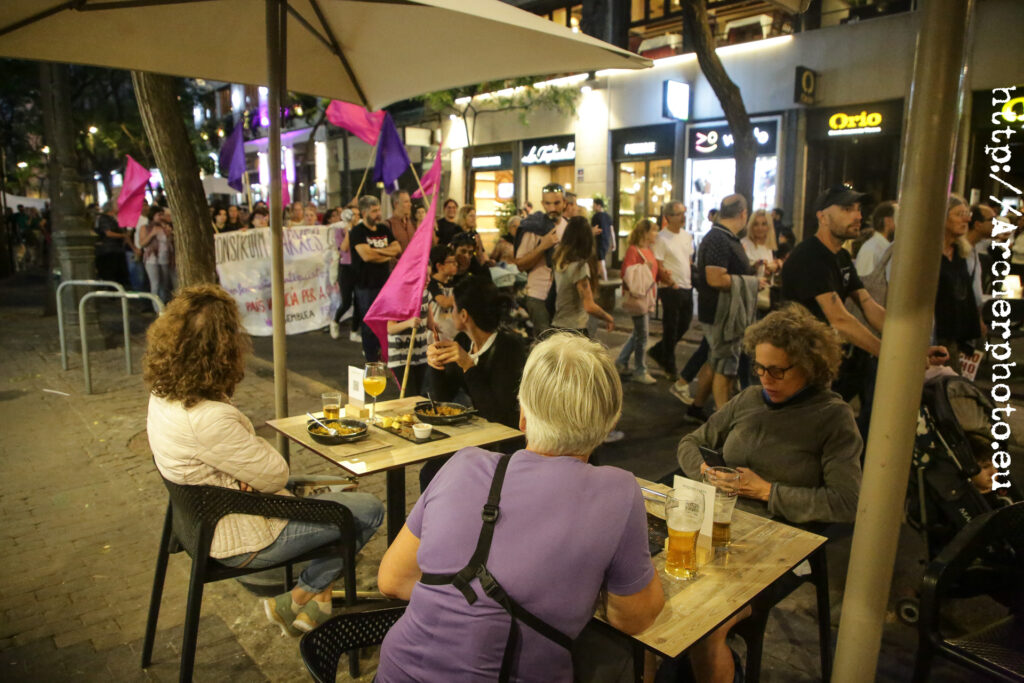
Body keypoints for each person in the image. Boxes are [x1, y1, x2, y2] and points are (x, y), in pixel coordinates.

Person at [377, 332, 665, 682]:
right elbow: (633, 619)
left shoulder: (463, 463)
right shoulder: (619, 491)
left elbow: (392, 580)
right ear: (609, 423)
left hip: (396, 671)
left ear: (523, 416)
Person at [144, 284, 385, 635]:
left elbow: (257, 473)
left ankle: (307, 598)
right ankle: (307, 592)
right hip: (237, 535)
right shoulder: (208, 417)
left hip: (200, 518)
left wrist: (245, 474)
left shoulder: (163, 396)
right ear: (222, 349)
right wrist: (251, 464)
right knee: (367, 509)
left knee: (335, 489)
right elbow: (274, 475)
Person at [675, 304, 861, 682]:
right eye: (760, 368)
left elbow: (846, 502)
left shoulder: (832, 417)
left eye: (778, 370)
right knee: (649, 599)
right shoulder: (749, 399)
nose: (766, 379)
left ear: (810, 365)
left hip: (781, 542)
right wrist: (704, 470)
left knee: (706, 625)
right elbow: (691, 441)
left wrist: (767, 491)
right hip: (721, 526)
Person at [689, 194, 757, 421]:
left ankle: (696, 408)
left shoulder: (723, 237)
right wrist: (751, 282)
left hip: (721, 311)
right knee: (726, 367)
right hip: (723, 313)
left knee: (715, 360)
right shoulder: (720, 238)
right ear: (743, 214)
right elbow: (715, 278)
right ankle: (723, 419)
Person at [647, 200, 695, 385]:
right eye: (678, 214)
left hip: (686, 286)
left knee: (685, 323)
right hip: (670, 288)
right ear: (667, 217)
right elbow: (658, 264)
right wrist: (669, 281)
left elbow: (687, 259)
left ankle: (660, 351)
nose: (683, 217)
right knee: (671, 326)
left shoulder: (686, 236)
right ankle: (670, 364)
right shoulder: (661, 238)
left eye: (684, 212)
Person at [350, 195, 402, 362]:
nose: (378, 214)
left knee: (386, 321)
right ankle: (371, 359)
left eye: (378, 209)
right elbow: (366, 256)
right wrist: (387, 254)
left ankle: (384, 355)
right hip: (366, 286)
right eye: (374, 211)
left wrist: (378, 253)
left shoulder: (383, 229)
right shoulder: (357, 232)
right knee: (370, 324)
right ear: (364, 213)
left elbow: (397, 248)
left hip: (384, 284)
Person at [934, 195, 982, 372]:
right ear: (942, 216)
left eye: (967, 213)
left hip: (952, 337)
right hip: (933, 335)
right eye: (960, 213)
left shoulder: (960, 253)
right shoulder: (929, 253)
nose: (967, 219)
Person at [515, 183, 565, 335]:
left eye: (556, 203)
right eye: (548, 203)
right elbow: (520, 264)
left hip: (563, 297)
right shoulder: (534, 228)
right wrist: (543, 246)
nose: (552, 208)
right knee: (546, 343)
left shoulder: (568, 227)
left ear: (564, 203)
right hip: (539, 294)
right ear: (543, 204)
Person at [551, 216, 614, 334]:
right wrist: (608, 317)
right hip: (575, 328)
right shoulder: (579, 267)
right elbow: (589, 305)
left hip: (558, 324)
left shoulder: (560, 261)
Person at [616, 219, 659, 384]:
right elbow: (626, 274)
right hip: (639, 298)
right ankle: (640, 370)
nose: (656, 234)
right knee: (643, 335)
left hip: (648, 296)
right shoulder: (634, 251)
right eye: (654, 231)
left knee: (638, 333)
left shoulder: (648, 250)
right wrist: (644, 268)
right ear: (645, 233)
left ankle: (621, 361)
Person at [138, 206, 176, 308]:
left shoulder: (166, 227)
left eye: (162, 214)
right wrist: (152, 234)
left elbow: (170, 244)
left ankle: (163, 305)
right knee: (155, 284)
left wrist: (169, 235)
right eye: (159, 215)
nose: (161, 217)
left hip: (164, 259)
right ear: (153, 215)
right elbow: (142, 243)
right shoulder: (145, 227)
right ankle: (156, 308)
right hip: (151, 259)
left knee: (164, 284)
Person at [329, 206, 357, 341]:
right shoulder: (340, 230)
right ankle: (335, 321)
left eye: (357, 215)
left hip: (359, 268)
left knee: (359, 302)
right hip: (346, 267)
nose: (355, 218)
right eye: (353, 215)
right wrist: (349, 232)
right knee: (346, 301)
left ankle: (354, 331)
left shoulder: (361, 230)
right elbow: (344, 248)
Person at [94, 201, 131, 287]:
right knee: (111, 274)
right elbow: (108, 233)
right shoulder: (104, 218)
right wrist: (123, 235)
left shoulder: (115, 219)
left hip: (118, 249)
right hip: (109, 251)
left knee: (120, 275)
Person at [854, 201, 897, 276]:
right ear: (888, 221)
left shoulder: (886, 248)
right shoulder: (871, 251)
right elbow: (865, 284)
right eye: (899, 219)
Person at [427, 245, 458, 341]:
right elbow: (445, 303)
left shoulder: (452, 284)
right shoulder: (431, 284)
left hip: (450, 336)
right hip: (434, 338)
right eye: (451, 262)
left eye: (455, 261)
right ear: (439, 266)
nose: (455, 264)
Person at [591, 197, 615, 273]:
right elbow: (612, 231)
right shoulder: (608, 216)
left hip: (599, 242)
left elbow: (593, 229)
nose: (593, 207)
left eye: (594, 205)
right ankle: (599, 281)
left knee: (601, 262)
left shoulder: (596, 216)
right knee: (600, 262)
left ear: (599, 206)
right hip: (606, 242)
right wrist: (614, 243)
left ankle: (605, 280)